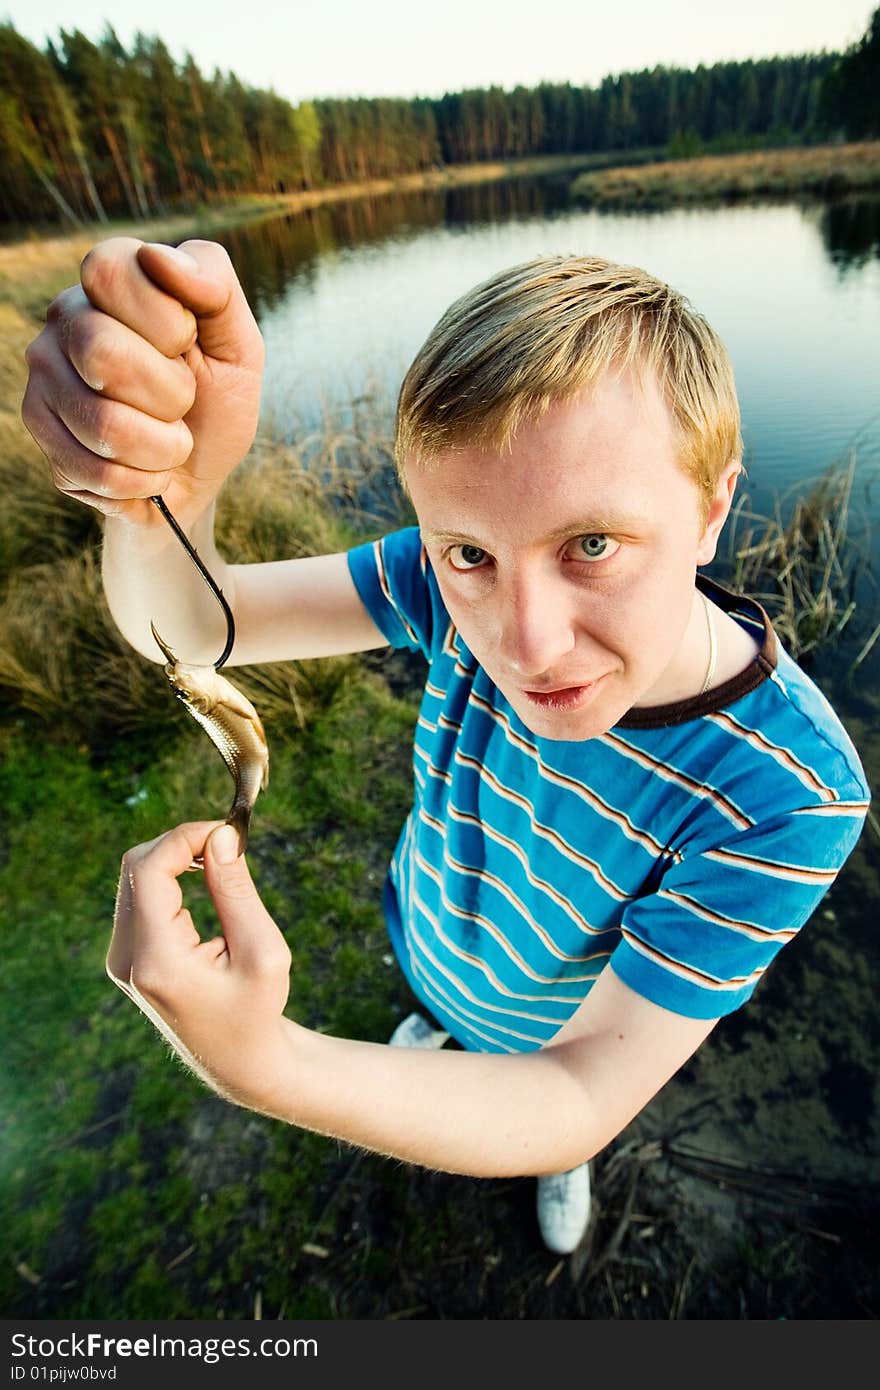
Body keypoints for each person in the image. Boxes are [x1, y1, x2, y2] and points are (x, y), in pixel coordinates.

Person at [22, 238, 870, 1257]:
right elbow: (197, 630)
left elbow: (579, 1085)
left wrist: (270, 1063)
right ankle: (434, 1028)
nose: (523, 641)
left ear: (712, 508)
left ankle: (548, 1159)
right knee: (438, 1008)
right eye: (469, 551)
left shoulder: (787, 793)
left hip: (551, 1037)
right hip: (430, 930)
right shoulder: (438, 589)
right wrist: (161, 499)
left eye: (590, 545)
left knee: (544, 1124)